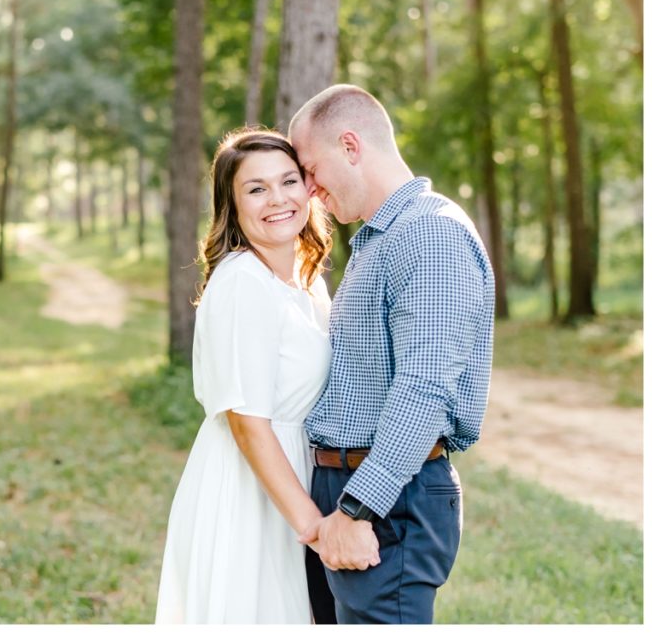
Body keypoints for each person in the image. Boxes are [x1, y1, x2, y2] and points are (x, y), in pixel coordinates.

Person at [288, 84, 495, 624]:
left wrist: (359, 507)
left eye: (311, 170)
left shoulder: (428, 235)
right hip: (353, 489)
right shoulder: (382, 237)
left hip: (387, 501)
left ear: (351, 146)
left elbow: (424, 389)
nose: (308, 191)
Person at [155, 128, 372, 624]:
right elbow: (248, 425)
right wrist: (315, 530)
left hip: (298, 473)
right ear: (232, 206)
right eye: (256, 189)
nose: (278, 199)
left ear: (308, 188)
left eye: (288, 181)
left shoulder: (307, 279)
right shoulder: (241, 283)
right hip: (252, 488)